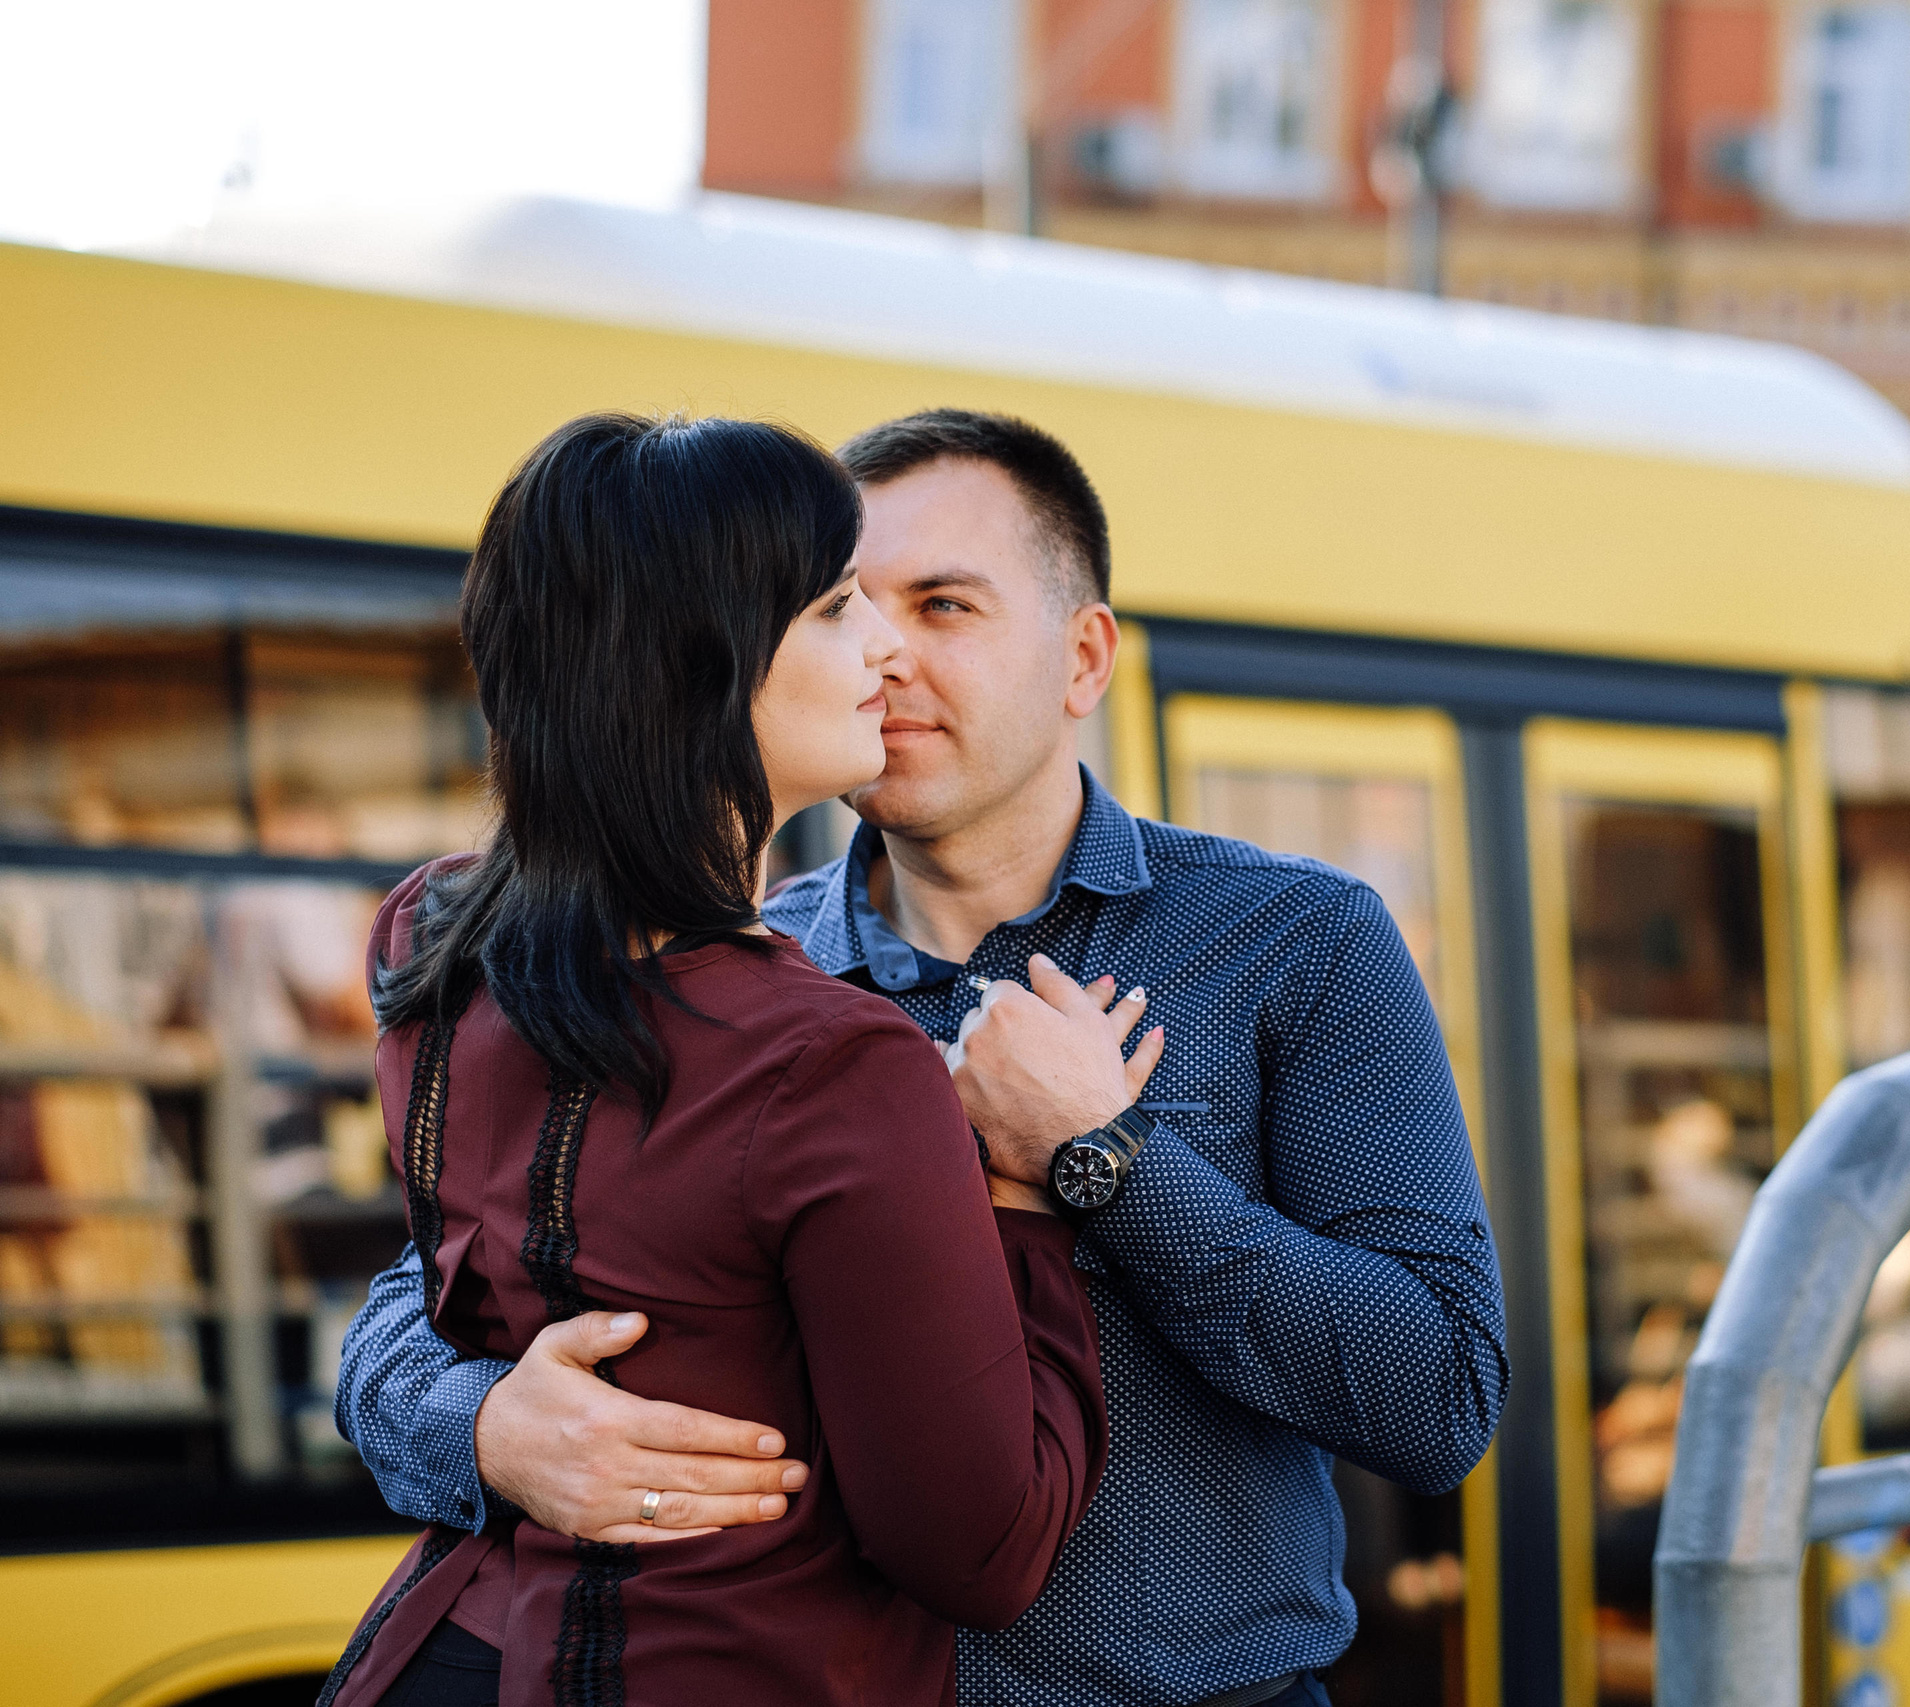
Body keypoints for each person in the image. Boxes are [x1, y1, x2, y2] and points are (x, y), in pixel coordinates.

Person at [336, 408, 1508, 1707]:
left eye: (944, 605)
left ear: (1083, 657)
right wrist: (484, 1429)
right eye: (842, 604)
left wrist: (1107, 1164)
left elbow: (1438, 1399)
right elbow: (433, 1286)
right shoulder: (717, 978)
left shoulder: (1294, 938)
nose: (886, 653)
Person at [320, 413, 1111, 1707]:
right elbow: (984, 1549)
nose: (884, 647)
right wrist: (1034, 1186)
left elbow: (446, 1277)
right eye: (840, 608)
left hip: (437, 1653)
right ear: (704, 668)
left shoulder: (428, 939)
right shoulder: (835, 1067)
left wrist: (475, 1423)